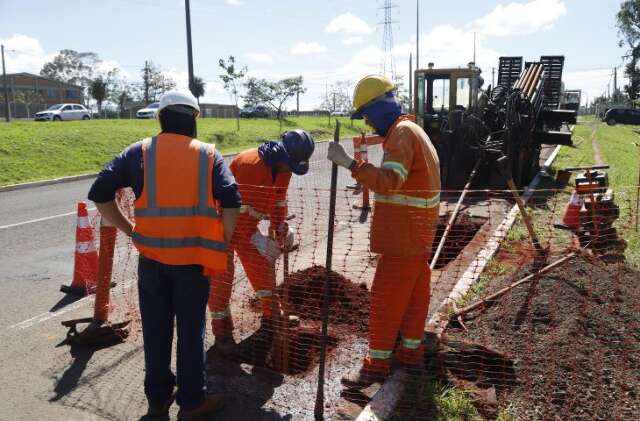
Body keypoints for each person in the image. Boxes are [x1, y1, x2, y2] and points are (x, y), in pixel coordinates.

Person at [88, 91, 241, 420]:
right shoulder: (208, 155)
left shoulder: (139, 152)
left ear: (160, 118)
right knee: (191, 332)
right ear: (194, 120)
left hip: (152, 263)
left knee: (157, 332)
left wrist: (130, 229)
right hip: (193, 264)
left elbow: (100, 192)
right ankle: (192, 402)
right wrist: (223, 240)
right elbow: (231, 200)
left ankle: (158, 401)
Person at [326, 75, 441, 388]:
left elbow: (390, 181)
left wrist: (350, 163)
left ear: (376, 109)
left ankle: (375, 367)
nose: (366, 122)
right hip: (418, 237)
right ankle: (411, 357)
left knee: (385, 301)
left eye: (365, 114)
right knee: (415, 299)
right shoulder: (414, 131)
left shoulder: (402, 134)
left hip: (403, 239)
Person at [207, 130, 315, 354]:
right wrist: (255, 238)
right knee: (221, 281)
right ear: (281, 155)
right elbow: (233, 213)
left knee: (262, 270)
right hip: (220, 225)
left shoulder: (285, 167)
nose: (289, 171)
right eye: (289, 166)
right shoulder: (250, 167)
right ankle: (223, 333)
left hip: (245, 225)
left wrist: (281, 227)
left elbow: (278, 201)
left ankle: (271, 317)